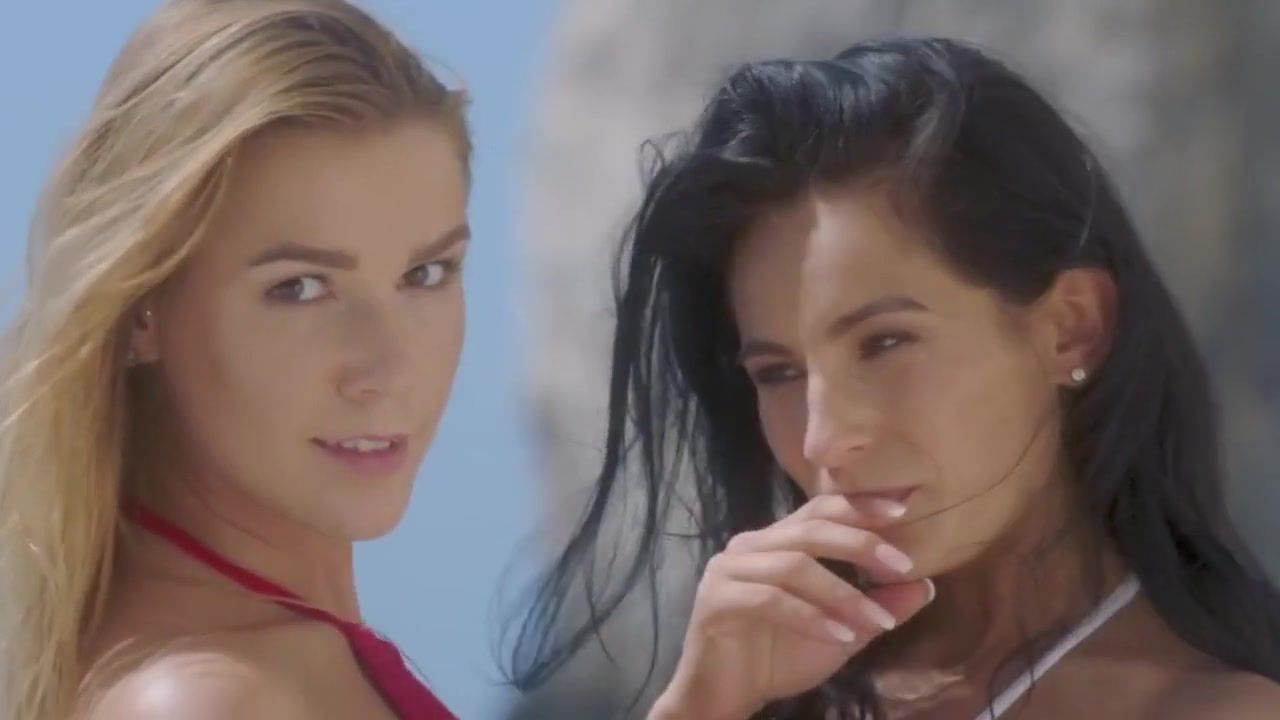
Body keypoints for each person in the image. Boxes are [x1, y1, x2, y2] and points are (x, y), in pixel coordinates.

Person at [510, 37, 1280, 719]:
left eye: (884, 342)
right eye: (778, 372)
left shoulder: (1218, 707)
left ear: (1070, 325)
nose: (825, 438)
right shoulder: (767, 691)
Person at [0, 1, 469, 718]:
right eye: (299, 288)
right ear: (142, 306)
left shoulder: (267, 648)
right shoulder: (205, 700)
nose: (389, 369)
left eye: (426, 274)